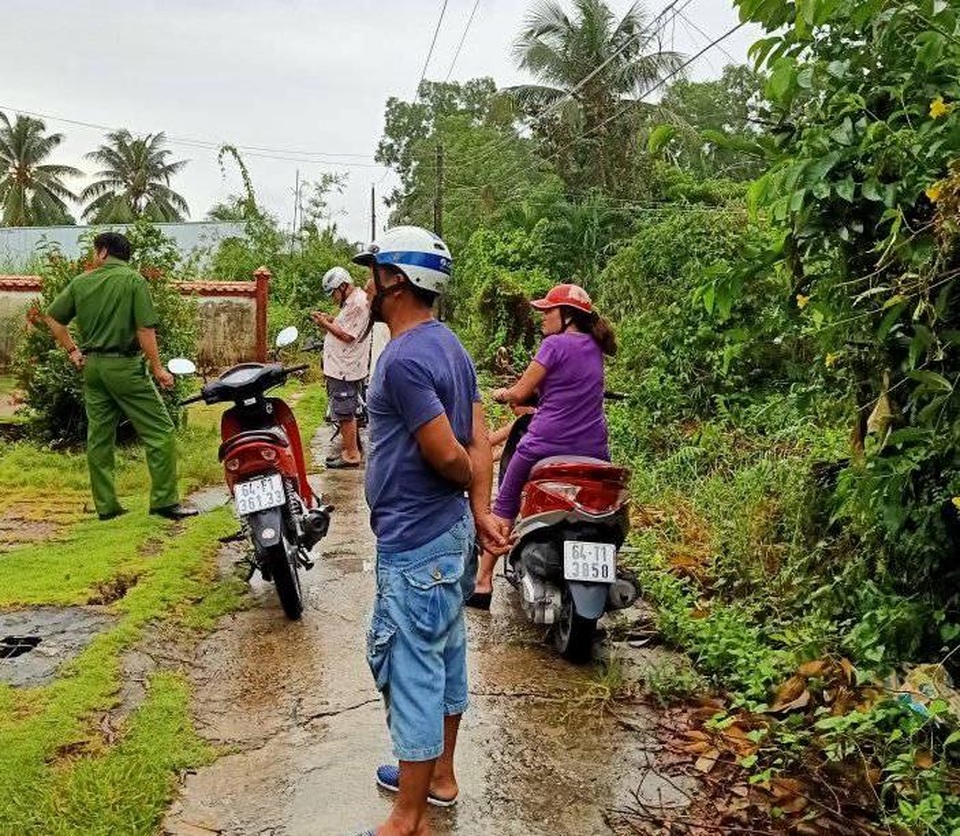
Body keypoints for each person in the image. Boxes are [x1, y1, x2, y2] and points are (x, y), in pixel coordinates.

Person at [354, 225, 508, 836]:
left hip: (415, 540)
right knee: (443, 653)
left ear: (395, 280)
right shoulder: (450, 345)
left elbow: (451, 453)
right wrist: (479, 508)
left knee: (409, 666)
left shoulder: (402, 360)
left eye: (373, 276)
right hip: (447, 533)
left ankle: (407, 819)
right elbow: (480, 435)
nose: (367, 289)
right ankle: (438, 777)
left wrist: (465, 481)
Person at [471, 283, 616, 601]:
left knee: (505, 502)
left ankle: (482, 582)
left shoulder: (553, 345)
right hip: (595, 449)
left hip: (543, 445)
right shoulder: (595, 347)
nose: (542, 317)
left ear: (566, 315)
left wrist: (503, 394)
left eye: (548, 310)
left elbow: (522, 392)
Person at [43, 232, 197, 521]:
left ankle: (106, 507)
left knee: (99, 437)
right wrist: (158, 368)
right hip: (125, 367)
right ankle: (164, 501)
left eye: (95, 251)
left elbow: (52, 317)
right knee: (160, 431)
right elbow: (144, 329)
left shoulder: (81, 282)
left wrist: (73, 350)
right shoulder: (133, 281)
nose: (94, 256)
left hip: (93, 368)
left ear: (103, 252)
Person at [312, 266, 371, 468]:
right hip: (341, 367)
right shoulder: (351, 302)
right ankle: (350, 449)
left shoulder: (358, 303)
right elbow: (345, 325)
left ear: (343, 286)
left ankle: (352, 455)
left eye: (333, 293)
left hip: (344, 368)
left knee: (345, 413)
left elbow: (347, 335)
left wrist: (324, 324)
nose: (333, 298)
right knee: (345, 410)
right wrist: (330, 319)